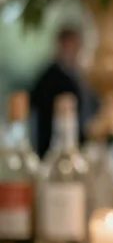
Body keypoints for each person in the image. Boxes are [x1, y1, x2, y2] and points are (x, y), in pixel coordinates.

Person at [29, 25, 89, 156]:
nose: (75, 50)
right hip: (51, 145)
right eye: (72, 45)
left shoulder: (75, 75)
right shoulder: (50, 77)